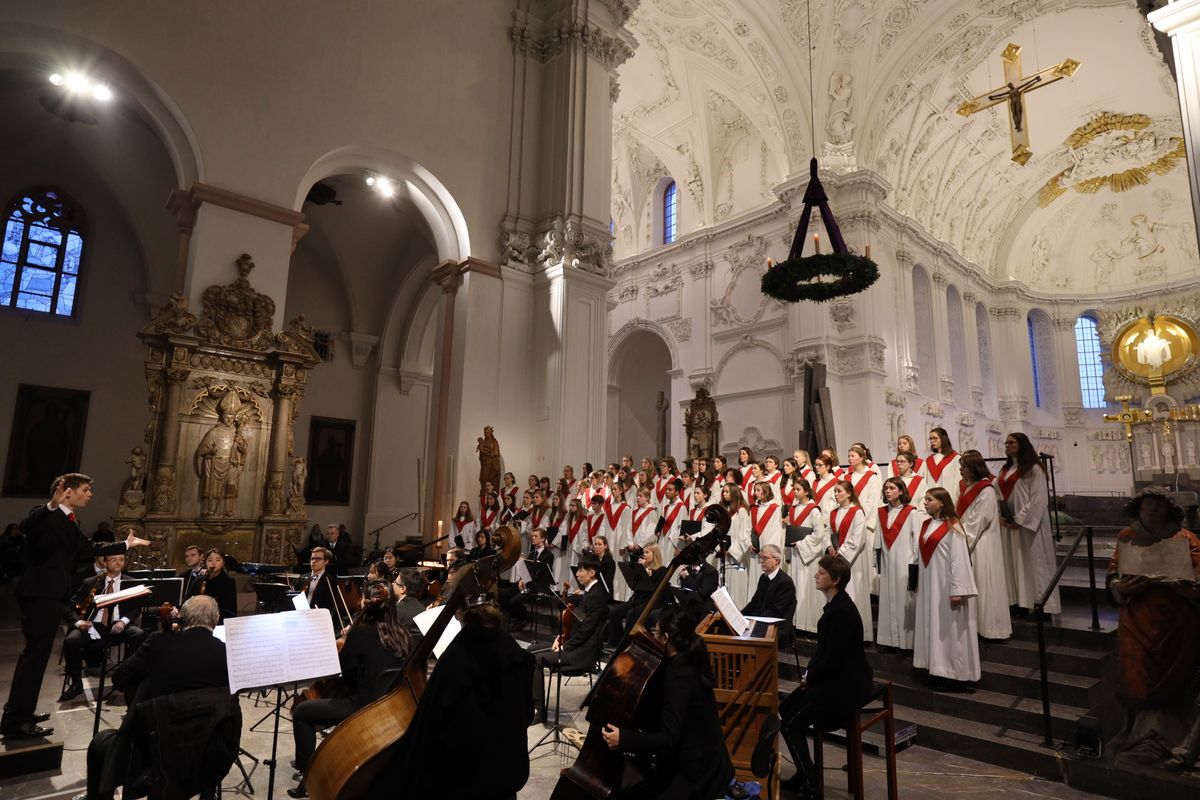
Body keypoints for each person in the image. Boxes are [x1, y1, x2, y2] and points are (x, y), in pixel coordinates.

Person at [2, 473, 149, 740]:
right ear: (67, 491)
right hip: (40, 593)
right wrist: (51, 504)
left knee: (37, 656)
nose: (90, 494)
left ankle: (21, 712)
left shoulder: (70, 519)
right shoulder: (48, 512)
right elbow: (26, 526)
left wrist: (125, 544)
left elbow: (87, 547)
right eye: (85, 489)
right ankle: (15, 720)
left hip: (50, 594)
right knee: (34, 656)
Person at [77, 595, 233, 800]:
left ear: (183, 617)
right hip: (204, 753)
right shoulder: (226, 653)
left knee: (98, 744)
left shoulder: (160, 641)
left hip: (151, 751)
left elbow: (120, 679)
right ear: (217, 618)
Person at [375, 600, 533, 799]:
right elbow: (527, 714)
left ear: (459, 614)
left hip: (466, 781)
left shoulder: (457, 657)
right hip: (509, 772)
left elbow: (444, 732)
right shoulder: (515, 652)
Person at [289, 580, 412, 798]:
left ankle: (307, 774)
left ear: (364, 602)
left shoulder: (361, 633)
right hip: (391, 705)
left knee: (302, 711)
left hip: (364, 706)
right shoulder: (403, 634)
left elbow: (342, 671)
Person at [1106, 487, 1200, 763]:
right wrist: (1120, 586)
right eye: (1148, 503)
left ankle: (1172, 739)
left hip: (1176, 619)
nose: (1154, 510)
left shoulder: (1186, 538)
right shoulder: (1127, 537)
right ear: (1139, 507)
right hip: (1138, 619)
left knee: (1176, 675)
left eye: (1160, 505)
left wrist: (1187, 587)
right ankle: (1139, 735)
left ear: (1169, 510)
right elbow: (1114, 572)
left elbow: (1198, 573)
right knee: (1138, 674)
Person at [600, 606, 734, 799]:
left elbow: (668, 739)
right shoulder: (686, 659)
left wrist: (625, 739)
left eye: (654, 632)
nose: (652, 636)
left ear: (665, 638)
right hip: (700, 760)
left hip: (699, 774)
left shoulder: (679, 676)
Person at [779, 556, 873, 798]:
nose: (816, 575)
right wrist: (809, 674)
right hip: (832, 677)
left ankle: (811, 786)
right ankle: (804, 772)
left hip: (844, 685)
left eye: (821, 573)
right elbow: (825, 652)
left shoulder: (841, 611)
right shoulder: (835, 606)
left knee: (789, 725)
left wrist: (811, 677)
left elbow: (834, 659)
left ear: (836, 579)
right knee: (785, 707)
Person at [912, 487, 980, 689]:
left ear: (942, 502)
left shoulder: (953, 526)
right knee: (933, 627)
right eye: (925, 499)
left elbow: (959, 560)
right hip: (929, 586)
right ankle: (937, 669)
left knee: (950, 630)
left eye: (929, 499)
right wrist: (915, 581)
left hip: (946, 586)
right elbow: (919, 555)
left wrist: (957, 590)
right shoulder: (926, 524)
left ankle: (955, 675)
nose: (925, 503)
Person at [60, 553, 147, 701]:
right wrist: (79, 623)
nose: (118, 563)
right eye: (114, 560)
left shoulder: (131, 582)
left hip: (118, 623)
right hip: (93, 625)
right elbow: (68, 608)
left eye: (121, 560)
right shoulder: (91, 582)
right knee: (71, 641)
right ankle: (76, 683)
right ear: (105, 563)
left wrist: (123, 621)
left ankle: (124, 676)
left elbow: (136, 608)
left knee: (137, 634)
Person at [533, 555, 610, 720]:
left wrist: (564, 647)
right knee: (531, 649)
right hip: (577, 645)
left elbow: (586, 630)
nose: (577, 573)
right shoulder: (590, 592)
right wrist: (560, 638)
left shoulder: (596, 595)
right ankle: (531, 700)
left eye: (581, 570)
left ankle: (540, 711)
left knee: (537, 659)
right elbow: (577, 624)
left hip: (583, 653)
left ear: (592, 573)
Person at [997, 432, 1060, 615]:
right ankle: (1020, 603)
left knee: (1035, 563)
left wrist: (1019, 520)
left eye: (1011, 443)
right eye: (1006, 443)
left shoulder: (1034, 469)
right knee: (1015, 564)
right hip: (1010, 524)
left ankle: (1043, 606)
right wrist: (1002, 515)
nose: (1007, 446)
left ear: (1022, 445)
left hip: (1030, 525)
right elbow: (999, 494)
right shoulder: (1005, 469)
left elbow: (1038, 499)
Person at [957, 453, 1011, 641]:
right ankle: (976, 627)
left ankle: (991, 629)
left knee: (986, 583)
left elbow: (979, 520)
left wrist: (960, 539)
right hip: (969, 541)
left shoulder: (986, 490)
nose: (960, 470)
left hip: (982, 543)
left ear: (973, 468)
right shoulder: (968, 488)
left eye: (963, 466)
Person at [875, 477, 919, 651]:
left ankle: (906, 643)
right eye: (886, 488)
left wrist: (914, 564)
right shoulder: (881, 512)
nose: (888, 491)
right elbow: (878, 540)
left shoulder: (911, 512)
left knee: (903, 600)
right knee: (888, 600)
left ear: (901, 491)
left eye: (892, 488)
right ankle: (889, 641)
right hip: (887, 563)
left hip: (905, 563)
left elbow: (916, 541)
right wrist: (878, 563)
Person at [827, 480, 873, 642]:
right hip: (836, 559)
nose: (836, 494)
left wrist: (841, 552)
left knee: (853, 594)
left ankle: (856, 634)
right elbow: (828, 532)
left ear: (849, 493)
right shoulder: (833, 512)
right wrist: (829, 547)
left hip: (852, 561)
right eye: (835, 491)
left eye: (839, 491)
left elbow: (858, 538)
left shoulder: (857, 512)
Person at [789, 478, 830, 636]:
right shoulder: (793, 509)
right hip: (796, 554)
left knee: (807, 587)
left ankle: (811, 626)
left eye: (798, 489)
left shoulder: (814, 510)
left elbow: (819, 534)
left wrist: (801, 543)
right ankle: (797, 622)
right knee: (796, 587)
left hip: (808, 555)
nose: (795, 492)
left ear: (806, 491)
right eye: (794, 489)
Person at [608, 544, 666, 647]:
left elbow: (655, 590)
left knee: (631, 613)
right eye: (644, 552)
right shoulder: (642, 568)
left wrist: (648, 575)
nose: (644, 555)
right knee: (615, 611)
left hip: (653, 601)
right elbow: (634, 586)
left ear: (654, 554)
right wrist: (637, 571)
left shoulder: (662, 570)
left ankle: (627, 645)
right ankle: (615, 643)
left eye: (647, 552)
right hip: (640, 599)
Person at [741, 544, 797, 647]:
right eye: (761, 558)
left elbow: (776, 611)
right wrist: (740, 616)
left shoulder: (785, 582)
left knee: (744, 638)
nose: (762, 561)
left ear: (776, 561)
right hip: (763, 622)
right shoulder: (763, 578)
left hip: (777, 627)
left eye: (765, 558)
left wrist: (753, 622)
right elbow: (754, 603)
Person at [296, 547, 341, 631]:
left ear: (326, 561)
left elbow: (329, 605)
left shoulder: (330, 581)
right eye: (312, 558)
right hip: (299, 617)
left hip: (318, 621)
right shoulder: (302, 578)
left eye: (318, 559)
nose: (314, 561)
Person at [199, 549, 239, 623]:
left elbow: (229, 608)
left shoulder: (228, 581)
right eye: (210, 560)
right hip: (199, 618)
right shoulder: (200, 580)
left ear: (223, 562)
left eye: (218, 560)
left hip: (219, 619)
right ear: (205, 563)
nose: (213, 563)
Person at [925, 427, 962, 505]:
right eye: (930, 439)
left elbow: (958, 482)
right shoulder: (929, 460)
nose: (932, 441)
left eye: (935, 438)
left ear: (943, 439)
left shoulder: (955, 458)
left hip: (950, 499)